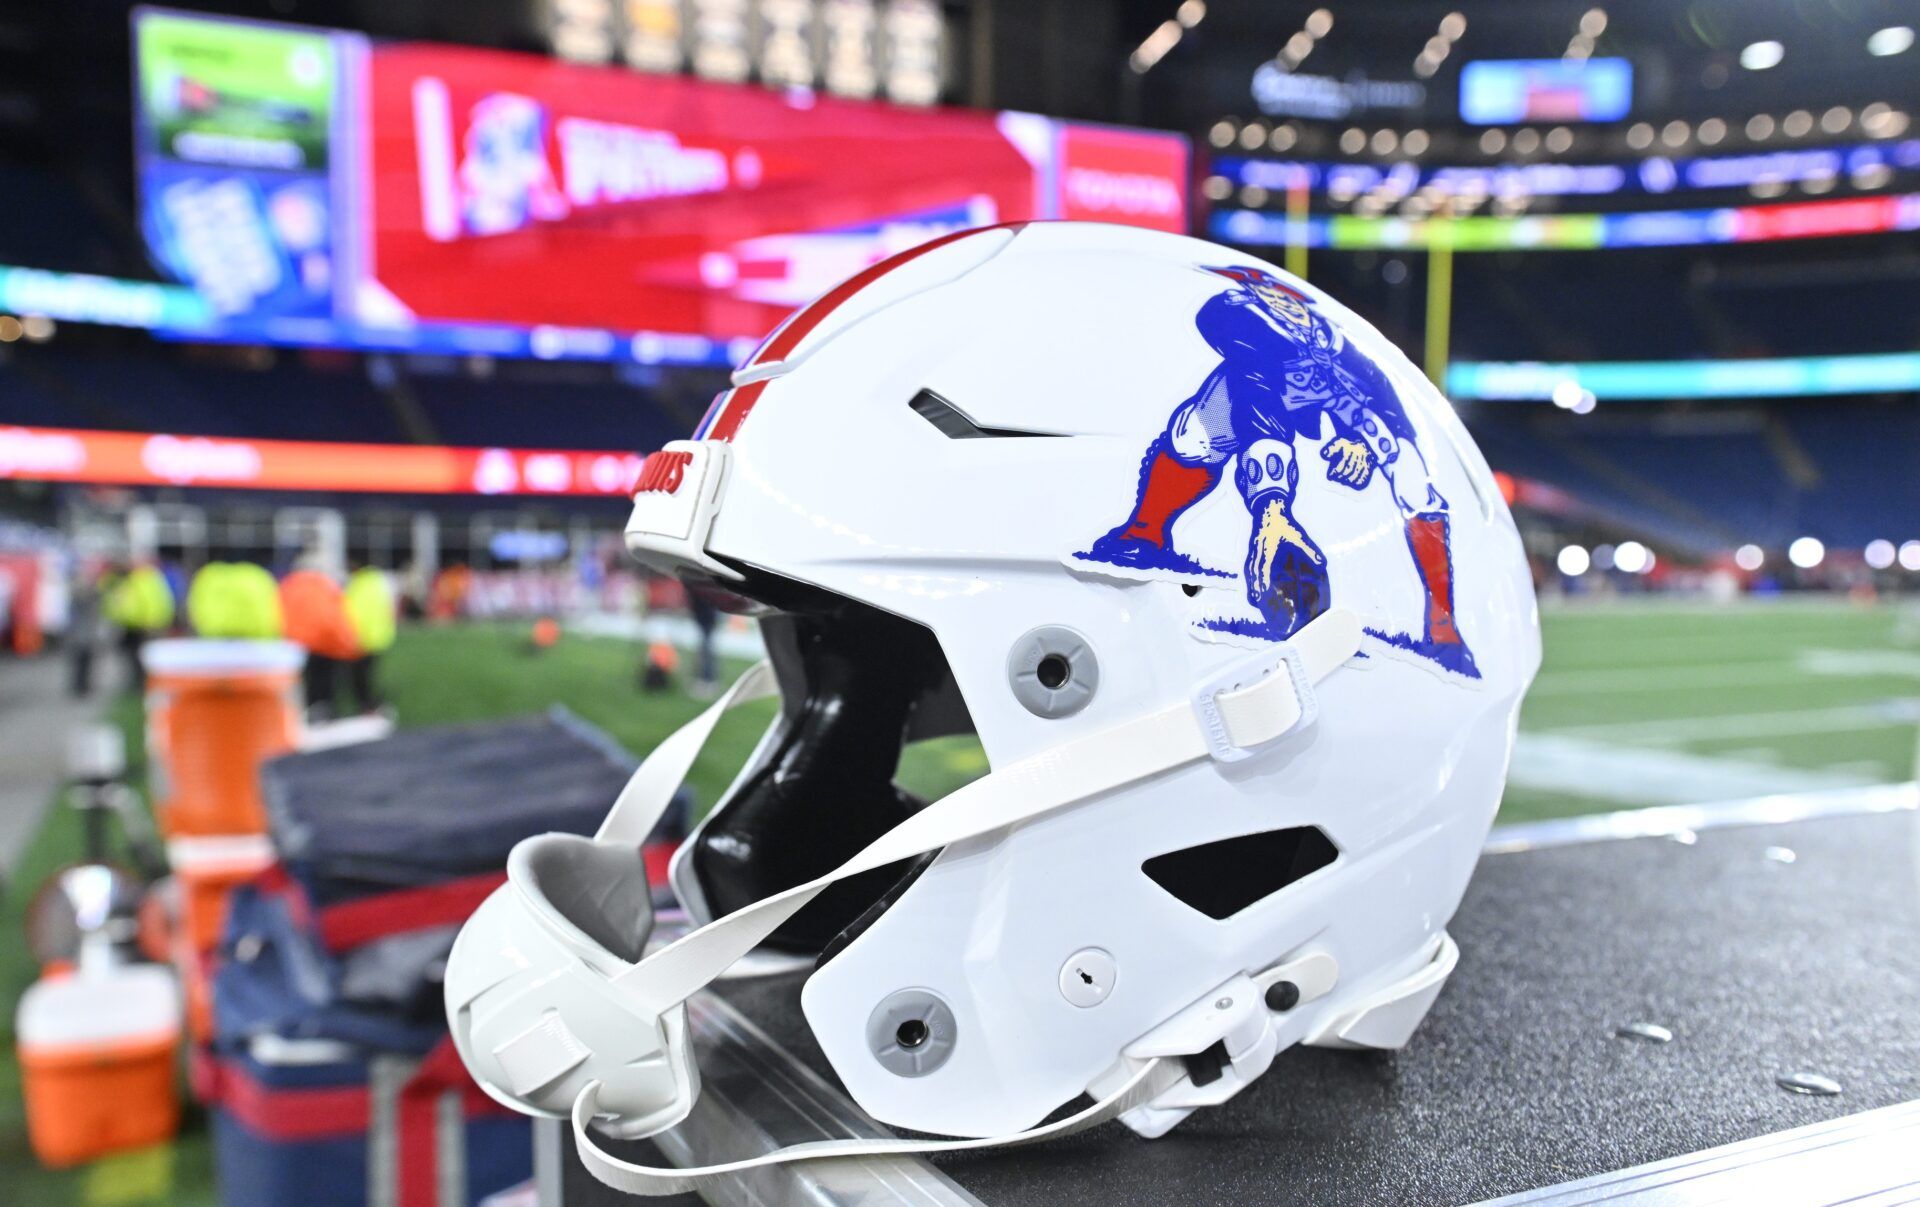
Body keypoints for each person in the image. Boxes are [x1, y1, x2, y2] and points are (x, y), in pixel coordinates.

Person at [279, 558, 358, 720]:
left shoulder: (288, 585)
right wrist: (347, 644)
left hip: (296, 644)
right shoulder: (325, 585)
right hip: (325, 642)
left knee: (302, 685)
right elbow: (336, 616)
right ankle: (324, 713)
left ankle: (303, 714)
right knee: (325, 684)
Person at [103, 559, 174, 692]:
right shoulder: (134, 580)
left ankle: (145, 684)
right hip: (132, 625)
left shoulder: (146, 579)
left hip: (145, 625)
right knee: (134, 657)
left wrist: (152, 621)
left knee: (144, 658)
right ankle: (138, 684)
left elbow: (153, 602)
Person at [343, 563, 397, 715]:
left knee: (360, 679)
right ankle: (373, 706)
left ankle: (370, 707)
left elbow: (354, 612)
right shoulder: (378, 582)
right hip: (379, 637)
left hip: (362, 638)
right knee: (367, 676)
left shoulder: (359, 585)